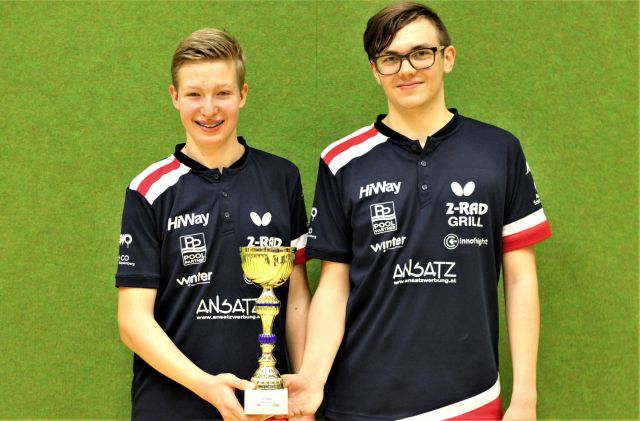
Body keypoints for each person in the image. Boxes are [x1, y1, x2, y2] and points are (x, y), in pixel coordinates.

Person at [284, 3, 551, 420]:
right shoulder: (341, 161)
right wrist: (313, 378)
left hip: (470, 401)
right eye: (390, 58)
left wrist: (525, 399)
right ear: (375, 70)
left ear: (448, 57)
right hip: (359, 405)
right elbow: (334, 285)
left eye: (421, 53)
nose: (406, 69)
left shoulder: (500, 151)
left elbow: (520, 279)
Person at [116, 28, 311, 421]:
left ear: (243, 94)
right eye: (194, 94)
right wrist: (207, 386)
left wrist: (302, 396)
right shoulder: (148, 190)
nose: (208, 109)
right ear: (175, 96)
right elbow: (133, 320)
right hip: (171, 408)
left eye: (222, 93)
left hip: (266, 410)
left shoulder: (282, 178)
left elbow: (296, 298)